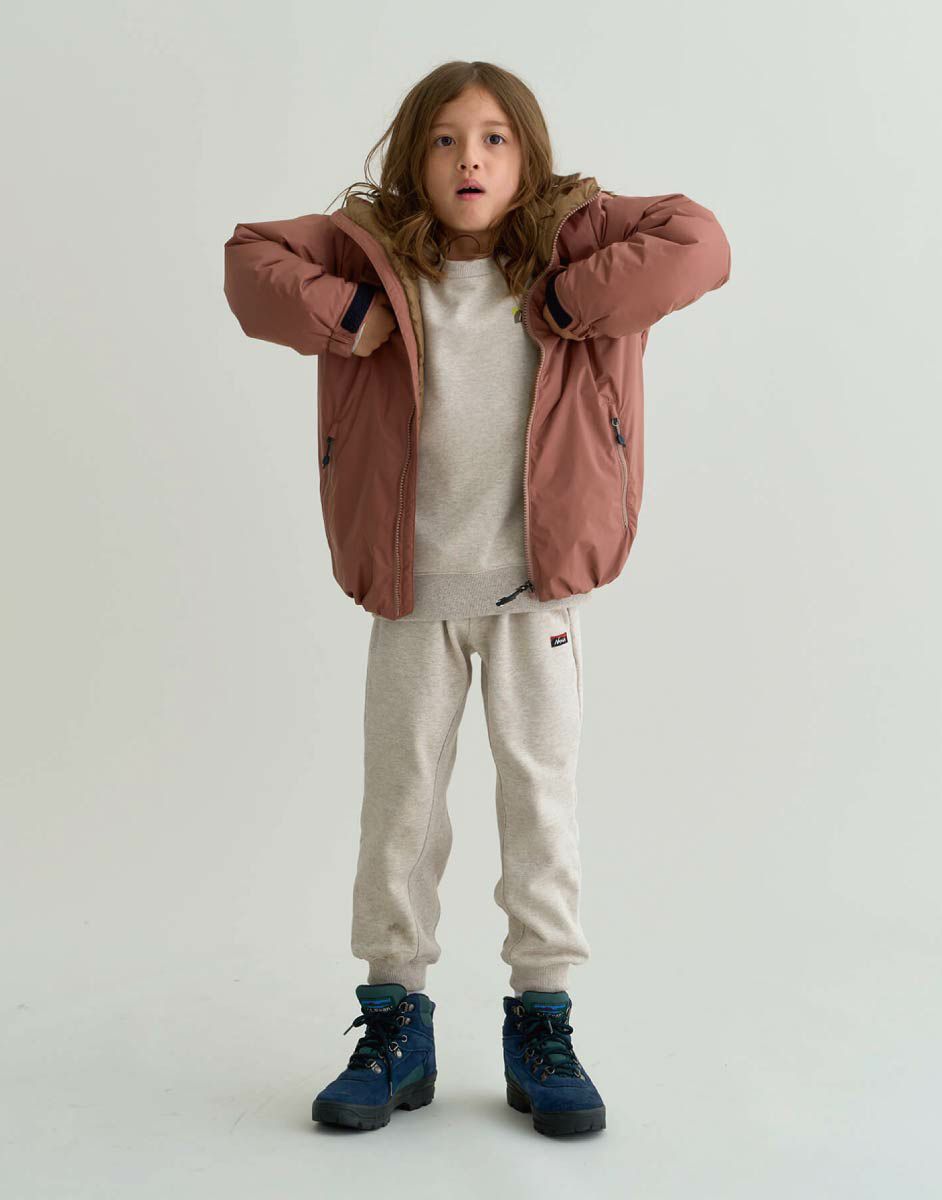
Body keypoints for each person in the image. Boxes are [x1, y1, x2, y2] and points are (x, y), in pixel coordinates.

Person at [222, 60, 730, 1137]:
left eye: (496, 138)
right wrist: (345, 310)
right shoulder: (371, 258)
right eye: (446, 139)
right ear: (414, 158)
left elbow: (700, 242)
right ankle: (393, 1023)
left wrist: (574, 298)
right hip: (410, 594)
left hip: (533, 598)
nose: (470, 159)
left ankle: (543, 1022)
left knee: (539, 805)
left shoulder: (575, 250)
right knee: (400, 813)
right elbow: (248, 262)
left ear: (527, 156)